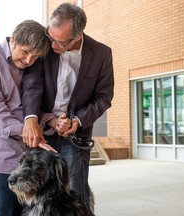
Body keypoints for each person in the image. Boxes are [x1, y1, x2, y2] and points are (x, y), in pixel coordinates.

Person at [0, 20, 52, 216]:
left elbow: (27, 109)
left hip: (21, 157)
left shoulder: (30, 67)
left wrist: (51, 120)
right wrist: (29, 131)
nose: (29, 60)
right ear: (12, 40)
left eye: (35, 56)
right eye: (25, 51)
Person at [40, 2, 114, 208]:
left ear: (77, 37)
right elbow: (30, 89)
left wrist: (77, 121)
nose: (52, 45)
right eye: (50, 37)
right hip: (41, 131)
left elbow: (104, 96)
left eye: (59, 43)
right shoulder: (44, 44)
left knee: (75, 197)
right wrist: (49, 119)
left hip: (74, 137)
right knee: (40, 197)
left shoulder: (101, 54)